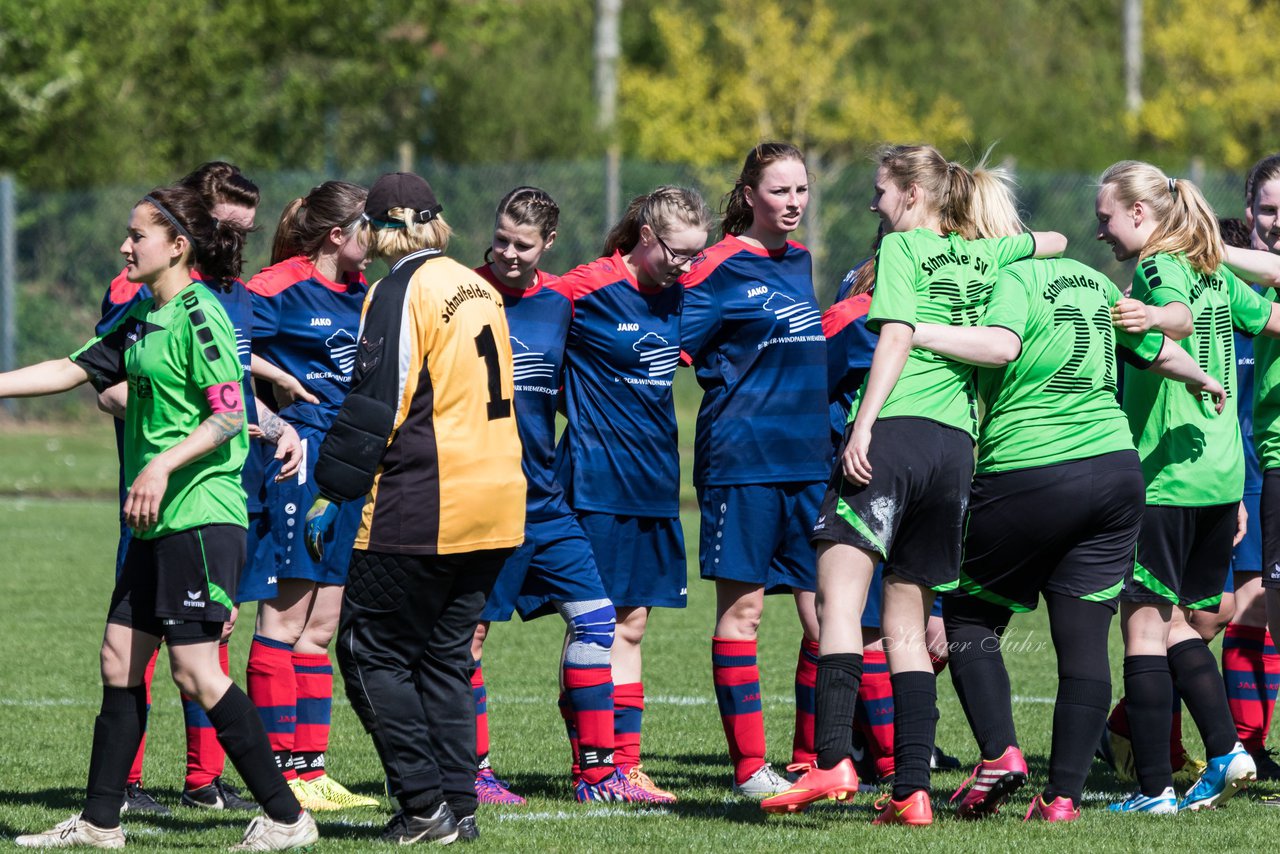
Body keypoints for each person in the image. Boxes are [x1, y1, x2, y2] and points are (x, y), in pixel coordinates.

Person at [764, 145, 1066, 824]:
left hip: (897, 430)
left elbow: (896, 334)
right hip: (954, 448)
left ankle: (833, 758)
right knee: (905, 623)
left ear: (909, 194)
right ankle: (911, 791)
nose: (874, 204)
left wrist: (863, 427)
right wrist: (986, 241)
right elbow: (1056, 238)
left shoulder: (901, 248)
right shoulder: (984, 253)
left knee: (836, 599)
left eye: (879, 191)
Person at [12, 186, 317, 850]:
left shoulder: (200, 315)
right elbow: (71, 369)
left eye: (137, 235)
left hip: (201, 516)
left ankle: (288, 817)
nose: (125, 245)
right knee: (120, 658)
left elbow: (229, 413)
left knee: (197, 672)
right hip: (157, 520)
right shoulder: (143, 316)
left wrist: (158, 464)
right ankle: (99, 823)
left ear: (177, 246)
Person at [908, 183, 1225, 823]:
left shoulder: (1007, 282)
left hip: (1030, 469)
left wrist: (910, 332)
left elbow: (1000, 346)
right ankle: (1062, 800)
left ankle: (998, 753)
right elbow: (1155, 346)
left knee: (968, 615)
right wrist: (1200, 375)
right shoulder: (1093, 280)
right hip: (1115, 473)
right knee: (1082, 640)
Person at [304, 171, 525, 844]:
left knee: (370, 652)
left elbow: (378, 399)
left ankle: (424, 806)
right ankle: (459, 810)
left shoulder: (400, 289)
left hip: (427, 502)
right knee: (443, 659)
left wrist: (331, 490)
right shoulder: (478, 284)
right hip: (497, 501)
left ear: (380, 227)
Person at [93, 161, 299, 814]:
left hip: (201, 501)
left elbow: (226, 394)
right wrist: (159, 443)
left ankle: (249, 799)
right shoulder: (144, 297)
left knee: (198, 659)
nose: (233, 238)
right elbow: (102, 377)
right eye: (224, 225)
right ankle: (109, 808)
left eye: (243, 229)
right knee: (132, 655)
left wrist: (273, 422)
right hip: (156, 503)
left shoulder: (213, 300)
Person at [1097, 160, 1280, 814]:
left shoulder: (1156, 268)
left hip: (1167, 473)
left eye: (1106, 219)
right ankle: (1228, 749)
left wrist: (1160, 319)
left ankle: (1152, 792)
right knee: (1178, 624)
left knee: (1143, 629)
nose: (1101, 233)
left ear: (1141, 214)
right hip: (1221, 472)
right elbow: (1271, 319)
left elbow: (1171, 316)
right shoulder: (1216, 270)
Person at [552, 184, 713, 802]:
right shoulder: (587, 286)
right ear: (646, 236)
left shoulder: (681, 298)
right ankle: (590, 766)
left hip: (654, 484)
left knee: (635, 624)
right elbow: (527, 323)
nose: (686, 266)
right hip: (593, 480)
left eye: (697, 255)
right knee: (594, 623)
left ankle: (626, 765)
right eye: (678, 252)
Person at [465, 187, 624, 805]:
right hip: (481, 499)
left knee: (595, 618)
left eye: (521, 244)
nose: (506, 252)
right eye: (501, 237)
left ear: (547, 245)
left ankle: (596, 775)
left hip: (546, 500)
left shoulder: (561, 301)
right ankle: (472, 773)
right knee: (470, 637)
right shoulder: (460, 292)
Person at [678, 142, 828, 798]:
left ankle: (809, 757)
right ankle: (748, 770)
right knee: (744, 616)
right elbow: (666, 344)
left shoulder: (800, 261)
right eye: (779, 191)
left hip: (811, 462)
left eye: (801, 190)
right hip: (743, 461)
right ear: (747, 195)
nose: (793, 202)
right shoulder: (714, 265)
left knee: (826, 615)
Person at [240, 180, 378, 811]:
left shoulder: (368, 295)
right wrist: (275, 407)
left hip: (350, 467)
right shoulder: (278, 287)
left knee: (321, 625)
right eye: (369, 227)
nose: (378, 240)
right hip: (299, 465)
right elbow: (222, 346)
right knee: (284, 616)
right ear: (337, 236)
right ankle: (275, 776)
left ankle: (309, 769)